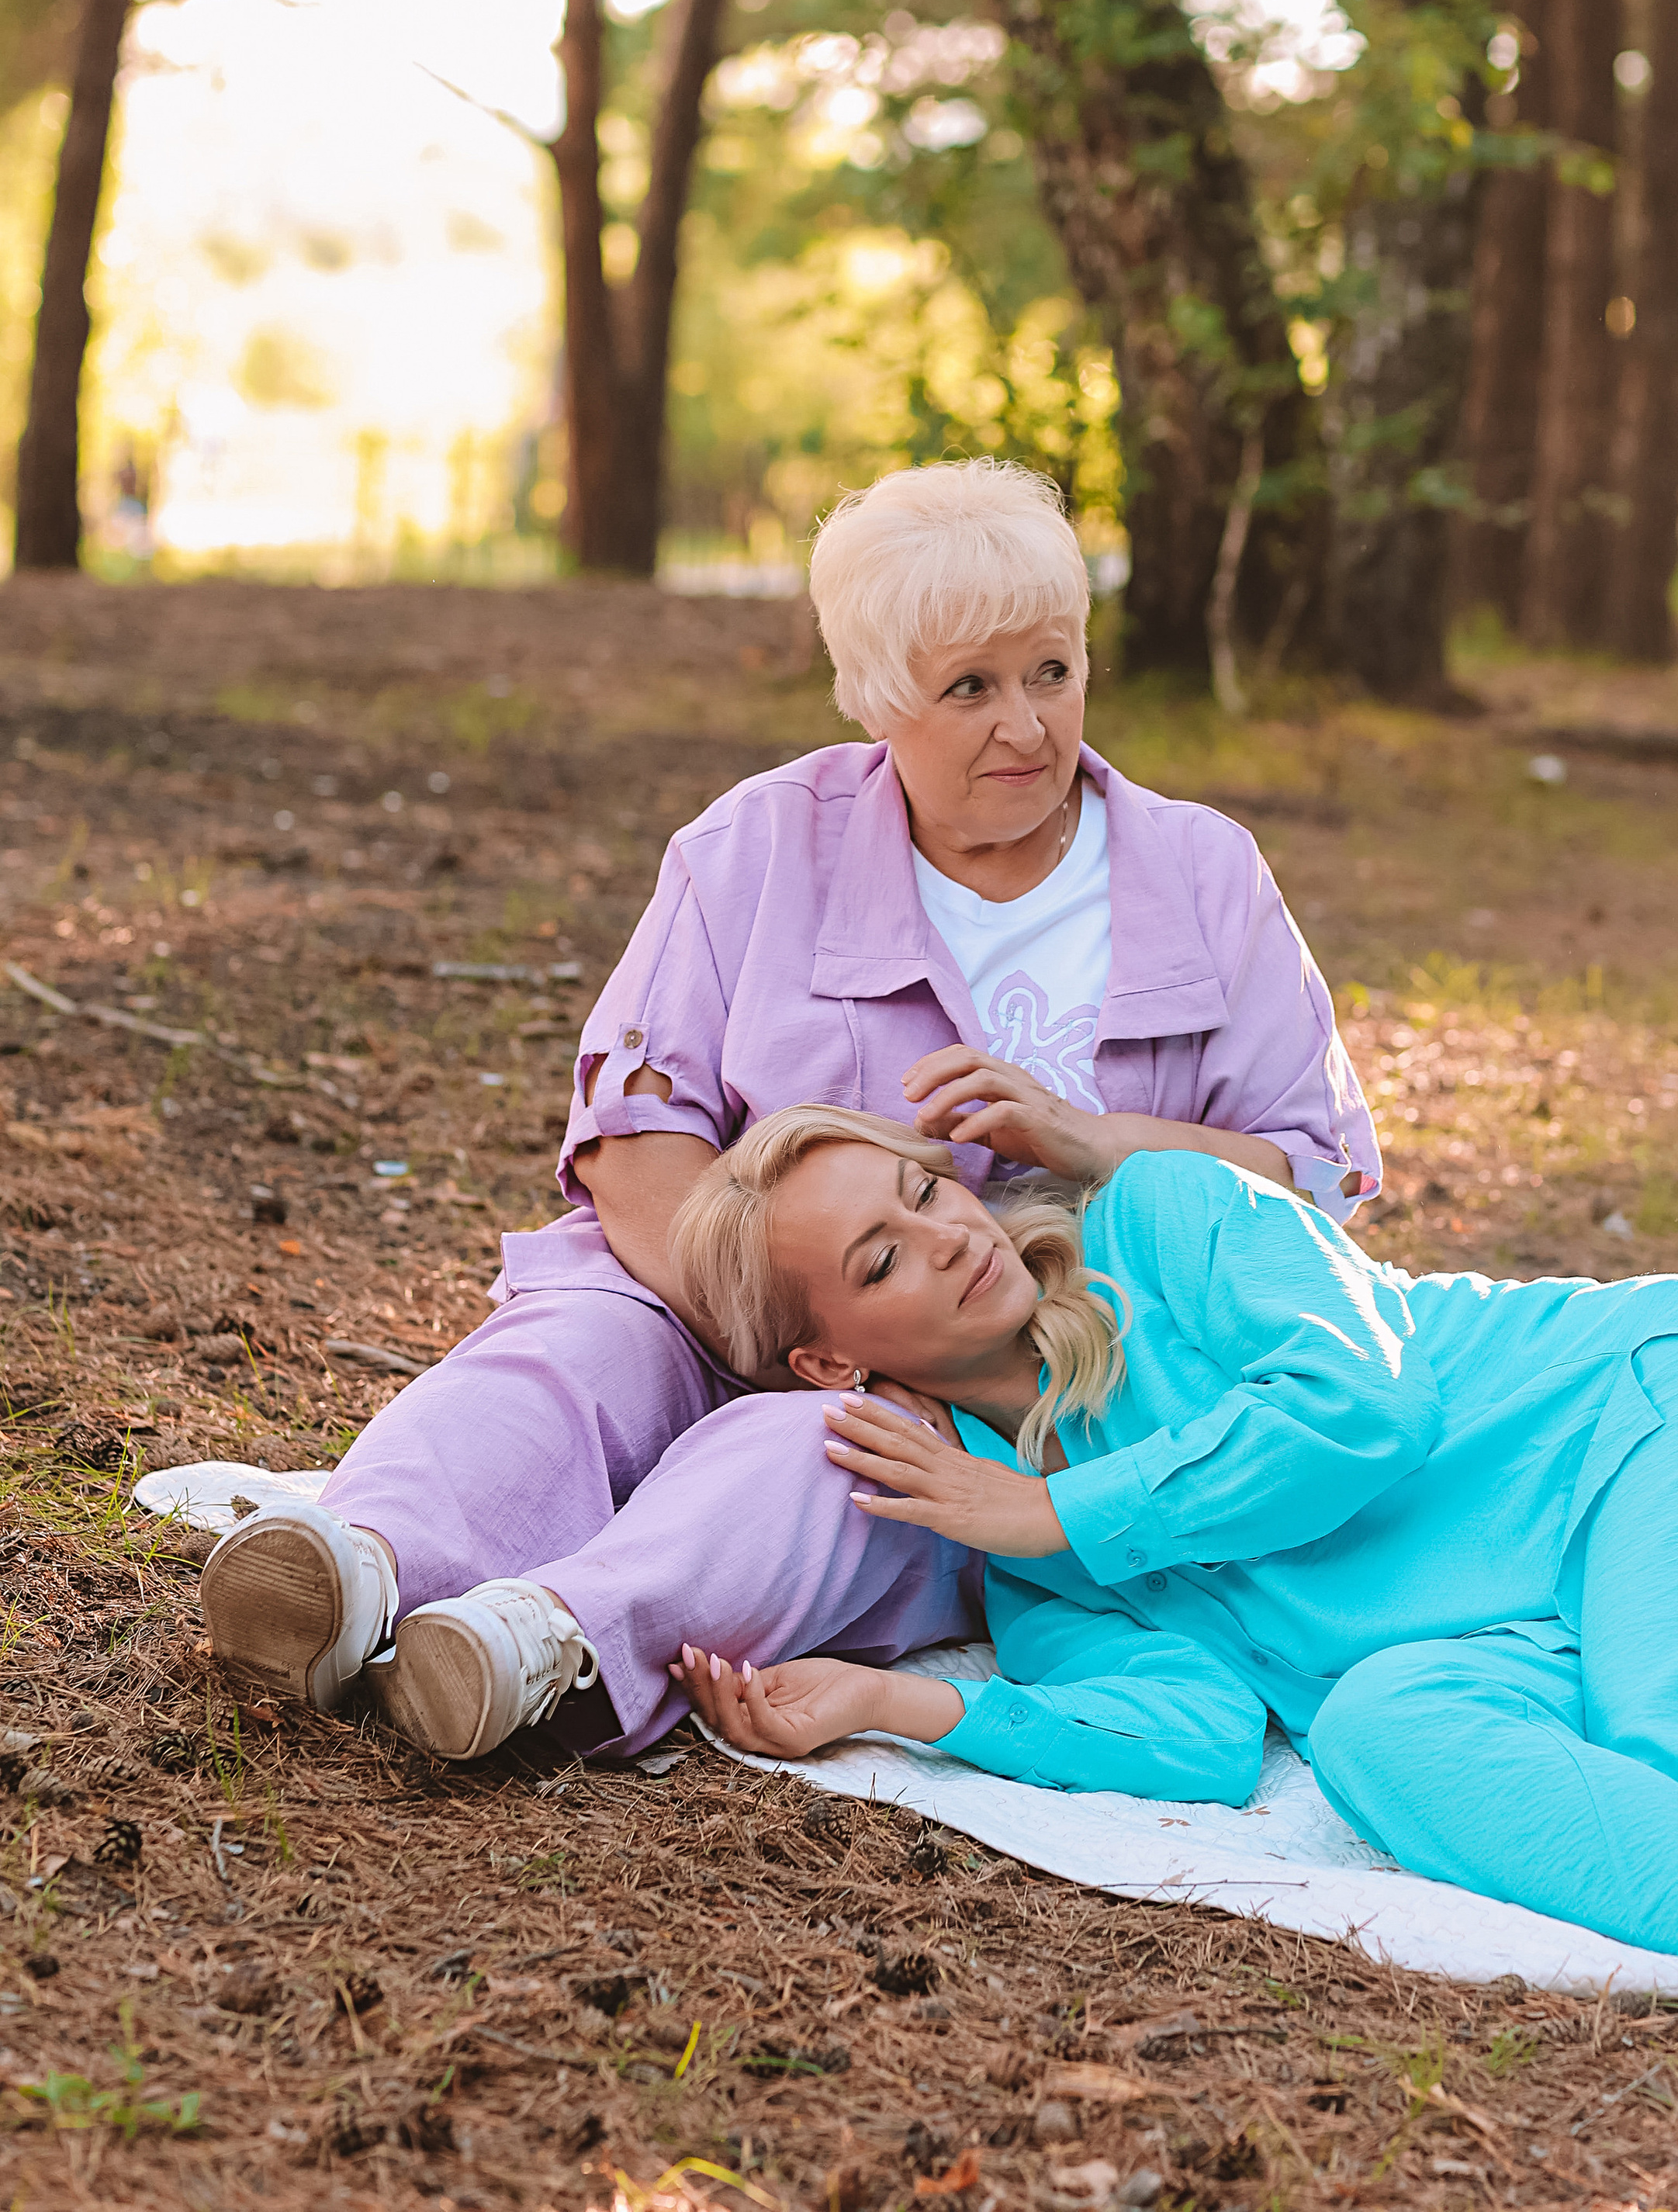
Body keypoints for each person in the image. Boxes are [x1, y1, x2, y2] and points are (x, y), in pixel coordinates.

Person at [199, 460, 1378, 1763]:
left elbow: (1310, 1194)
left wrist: (1088, 1150)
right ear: (878, 702)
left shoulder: (1202, 871)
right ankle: (354, 1567)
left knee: (839, 1454)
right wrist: (787, 1335)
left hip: (1021, 1386)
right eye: (969, 688)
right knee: (579, 1344)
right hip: (713, 1298)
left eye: (1053, 670)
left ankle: (540, 1645)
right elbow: (639, 1150)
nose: (1029, 728)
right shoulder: (757, 847)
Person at [666, 1105, 1678, 2126]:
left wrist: (1064, 1513)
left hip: (1671, 1417)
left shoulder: (1163, 1219)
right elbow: (1194, 1739)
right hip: (1523, 1636)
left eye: (927, 1188)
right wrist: (893, 1702)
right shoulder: (1017, 1546)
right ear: (832, 1362)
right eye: (886, 1255)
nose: (956, 1231)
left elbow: (1362, 1405)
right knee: (1376, 1730)